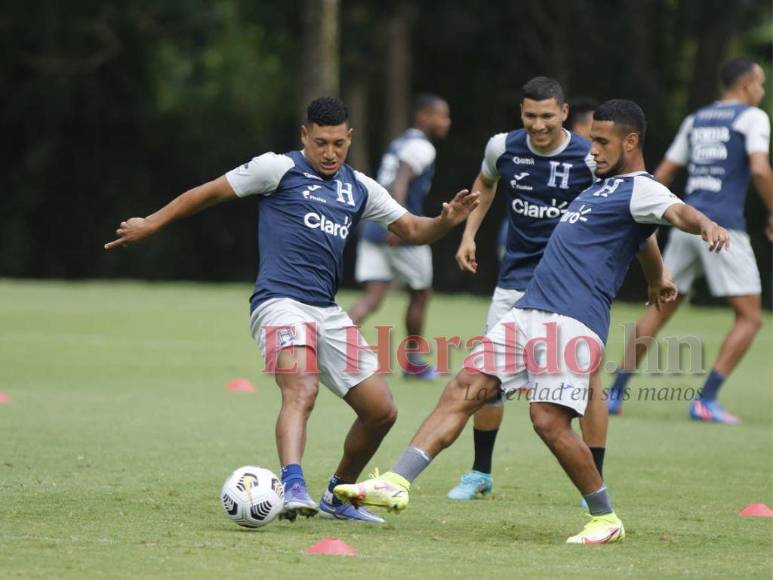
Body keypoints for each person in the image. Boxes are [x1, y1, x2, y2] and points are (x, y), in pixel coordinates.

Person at [334, 99, 730, 544]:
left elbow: (676, 212)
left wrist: (707, 225)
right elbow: (643, 239)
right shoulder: (598, 187)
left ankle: (604, 518)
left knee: (547, 420)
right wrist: (658, 278)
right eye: (592, 139)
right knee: (463, 389)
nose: (592, 149)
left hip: (571, 322)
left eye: (602, 141)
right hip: (527, 311)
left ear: (631, 142)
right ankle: (396, 482)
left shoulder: (641, 187)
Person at [104, 97, 479, 523]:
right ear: (304, 136)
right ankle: (292, 483)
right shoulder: (276, 168)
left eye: (339, 143)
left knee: (381, 411)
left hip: (327, 311)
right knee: (302, 389)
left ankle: (337, 497)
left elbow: (413, 229)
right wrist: (151, 223)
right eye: (321, 142)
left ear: (350, 138)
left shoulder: (359, 187)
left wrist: (446, 222)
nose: (330, 152)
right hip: (279, 303)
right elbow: (207, 193)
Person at [447, 78, 606, 501]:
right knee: (486, 380)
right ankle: (481, 471)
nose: (538, 125)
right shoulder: (503, 147)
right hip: (515, 281)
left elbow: (615, 210)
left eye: (547, 116)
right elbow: (484, 184)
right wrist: (469, 236)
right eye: (530, 115)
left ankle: (594, 476)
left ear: (565, 112)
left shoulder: (588, 158)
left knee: (587, 383)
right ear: (521, 111)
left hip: (571, 288)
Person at [607, 58, 772, 423]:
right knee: (749, 317)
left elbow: (662, 173)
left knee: (660, 305)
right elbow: (759, 167)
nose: (761, 92)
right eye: (760, 84)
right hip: (724, 229)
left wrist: (644, 215)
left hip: (687, 221)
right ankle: (706, 399)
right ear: (747, 86)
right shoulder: (752, 117)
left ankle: (614, 394)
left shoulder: (697, 119)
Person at [348, 95, 452, 379]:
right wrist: (398, 222)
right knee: (421, 293)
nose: (446, 122)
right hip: (400, 228)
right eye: (440, 116)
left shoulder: (400, 142)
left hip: (372, 226)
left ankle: (329, 352)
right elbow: (402, 179)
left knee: (372, 298)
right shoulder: (421, 147)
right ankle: (414, 363)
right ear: (422, 116)